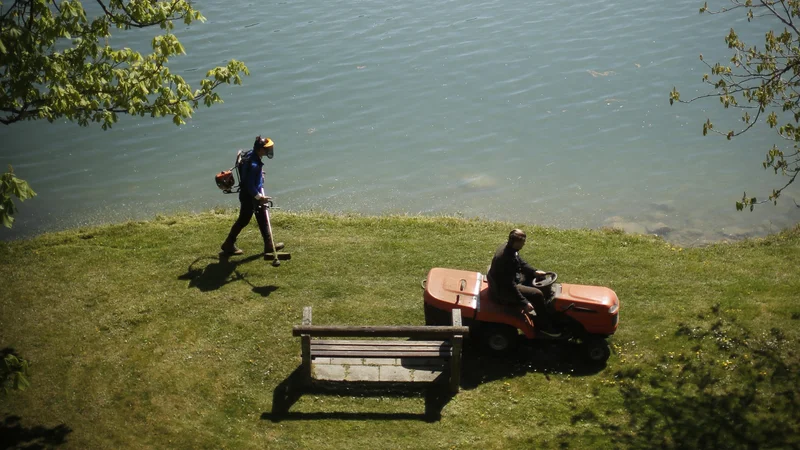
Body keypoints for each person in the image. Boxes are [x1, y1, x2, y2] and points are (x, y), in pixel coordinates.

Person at [487, 229, 561, 337]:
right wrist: (524, 302)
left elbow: (519, 261)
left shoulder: (510, 249)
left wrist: (534, 272)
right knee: (537, 294)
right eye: (523, 241)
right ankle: (544, 326)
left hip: (509, 281)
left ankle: (545, 311)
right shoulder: (505, 258)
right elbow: (509, 285)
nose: (524, 243)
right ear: (516, 242)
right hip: (503, 290)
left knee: (537, 278)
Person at [220, 136, 285, 256]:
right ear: (260, 150)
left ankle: (269, 245)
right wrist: (260, 198)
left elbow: (249, 174)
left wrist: (260, 174)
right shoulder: (254, 165)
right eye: (266, 149)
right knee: (243, 220)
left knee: (262, 217)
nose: (269, 150)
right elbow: (250, 185)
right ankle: (228, 244)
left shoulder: (251, 154)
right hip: (249, 197)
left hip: (251, 194)